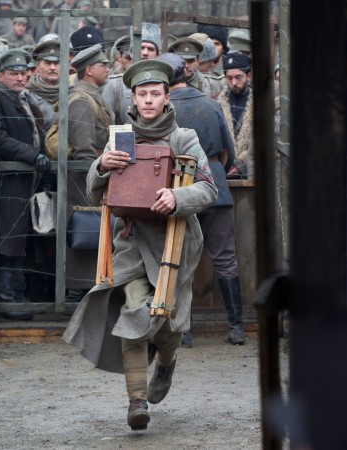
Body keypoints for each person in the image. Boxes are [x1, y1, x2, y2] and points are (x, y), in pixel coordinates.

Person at [63, 59, 217, 430]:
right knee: (134, 310)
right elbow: (97, 192)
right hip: (131, 242)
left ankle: (166, 362)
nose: (148, 100)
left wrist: (177, 197)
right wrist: (102, 164)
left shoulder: (184, 138)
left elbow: (209, 188)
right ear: (133, 98)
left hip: (175, 243)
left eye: (155, 94)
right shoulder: (121, 137)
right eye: (142, 94)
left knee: (167, 323)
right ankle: (137, 401)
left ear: (166, 98)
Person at [157, 53, 245, 346]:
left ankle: (183, 331)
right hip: (214, 184)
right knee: (226, 259)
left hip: (176, 190)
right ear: (186, 73)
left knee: (177, 259)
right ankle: (236, 328)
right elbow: (228, 151)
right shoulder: (211, 104)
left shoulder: (163, 109)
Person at [0, 50, 50, 304]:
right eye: (13, 74)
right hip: (8, 179)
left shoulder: (22, 98)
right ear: (0, 76)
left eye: (22, 73)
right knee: (8, 237)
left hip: (26, 178)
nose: (19, 78)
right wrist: (32, 154)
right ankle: (6, 297)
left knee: (20, 236)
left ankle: (16, 293)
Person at [63, 44, 113, 302]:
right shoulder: (82, 100)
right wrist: (97, 180)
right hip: (84, 182)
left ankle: (85, 289)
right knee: (84, 234)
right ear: (89, 70)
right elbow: (84, 152)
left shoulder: (93, 96)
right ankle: (77, 292)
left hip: (94, 177)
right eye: (103, 65)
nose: (108, 69)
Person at [103, 22, 161, 125]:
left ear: (157, 54)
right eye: (141, 48)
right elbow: (106, 124)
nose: (145, 53)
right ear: (131, 53)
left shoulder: (165, 83)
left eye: (150, 49)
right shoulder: (114, 84)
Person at [217, 53, 254, 179]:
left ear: (248, 76)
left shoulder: (261, 105)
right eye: (229, 78)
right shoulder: (217, 105)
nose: (233, 82)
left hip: (251, 171)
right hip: (225, 170)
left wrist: (240, 163)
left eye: (238, 77)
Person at [168, 36, 221, 100]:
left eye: (190, 61)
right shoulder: (166, 84)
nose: (186, 65)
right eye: (182, 61)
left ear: (198, 61)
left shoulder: (212, 85)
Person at [25, 39, 61, 133]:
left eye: (56, 63)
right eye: (47, 63)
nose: (52, 68)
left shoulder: (71, 92)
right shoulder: (27, 95)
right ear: (37, 67)